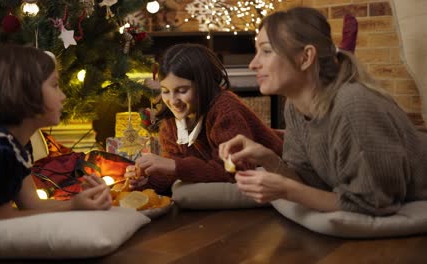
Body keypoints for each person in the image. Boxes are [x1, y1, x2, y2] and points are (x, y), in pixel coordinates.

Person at [219, 6, 427, 216]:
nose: (253, 64)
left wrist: (288, 190)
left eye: (266, 51)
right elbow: (310, 183)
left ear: (306, 57)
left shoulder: (353, 104)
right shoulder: (294, 107)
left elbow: (374, 203)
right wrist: (267, 158)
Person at [0, 45, 112, 222]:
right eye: (55, 85)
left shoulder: (15, 143)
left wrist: (80, 202)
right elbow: (1, 218)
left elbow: (32, 204)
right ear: (25, 92)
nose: (63, 96)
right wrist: (73, 207)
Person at [125, 43, 284, 195]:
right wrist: (145, 180)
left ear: (203, 85)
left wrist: (174, 166)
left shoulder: (225, 109)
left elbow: (234, 169)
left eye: (182, 90)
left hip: (283, 168)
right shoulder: (171, 124)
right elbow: (172, 173)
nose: (172, 101)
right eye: (166, 91)